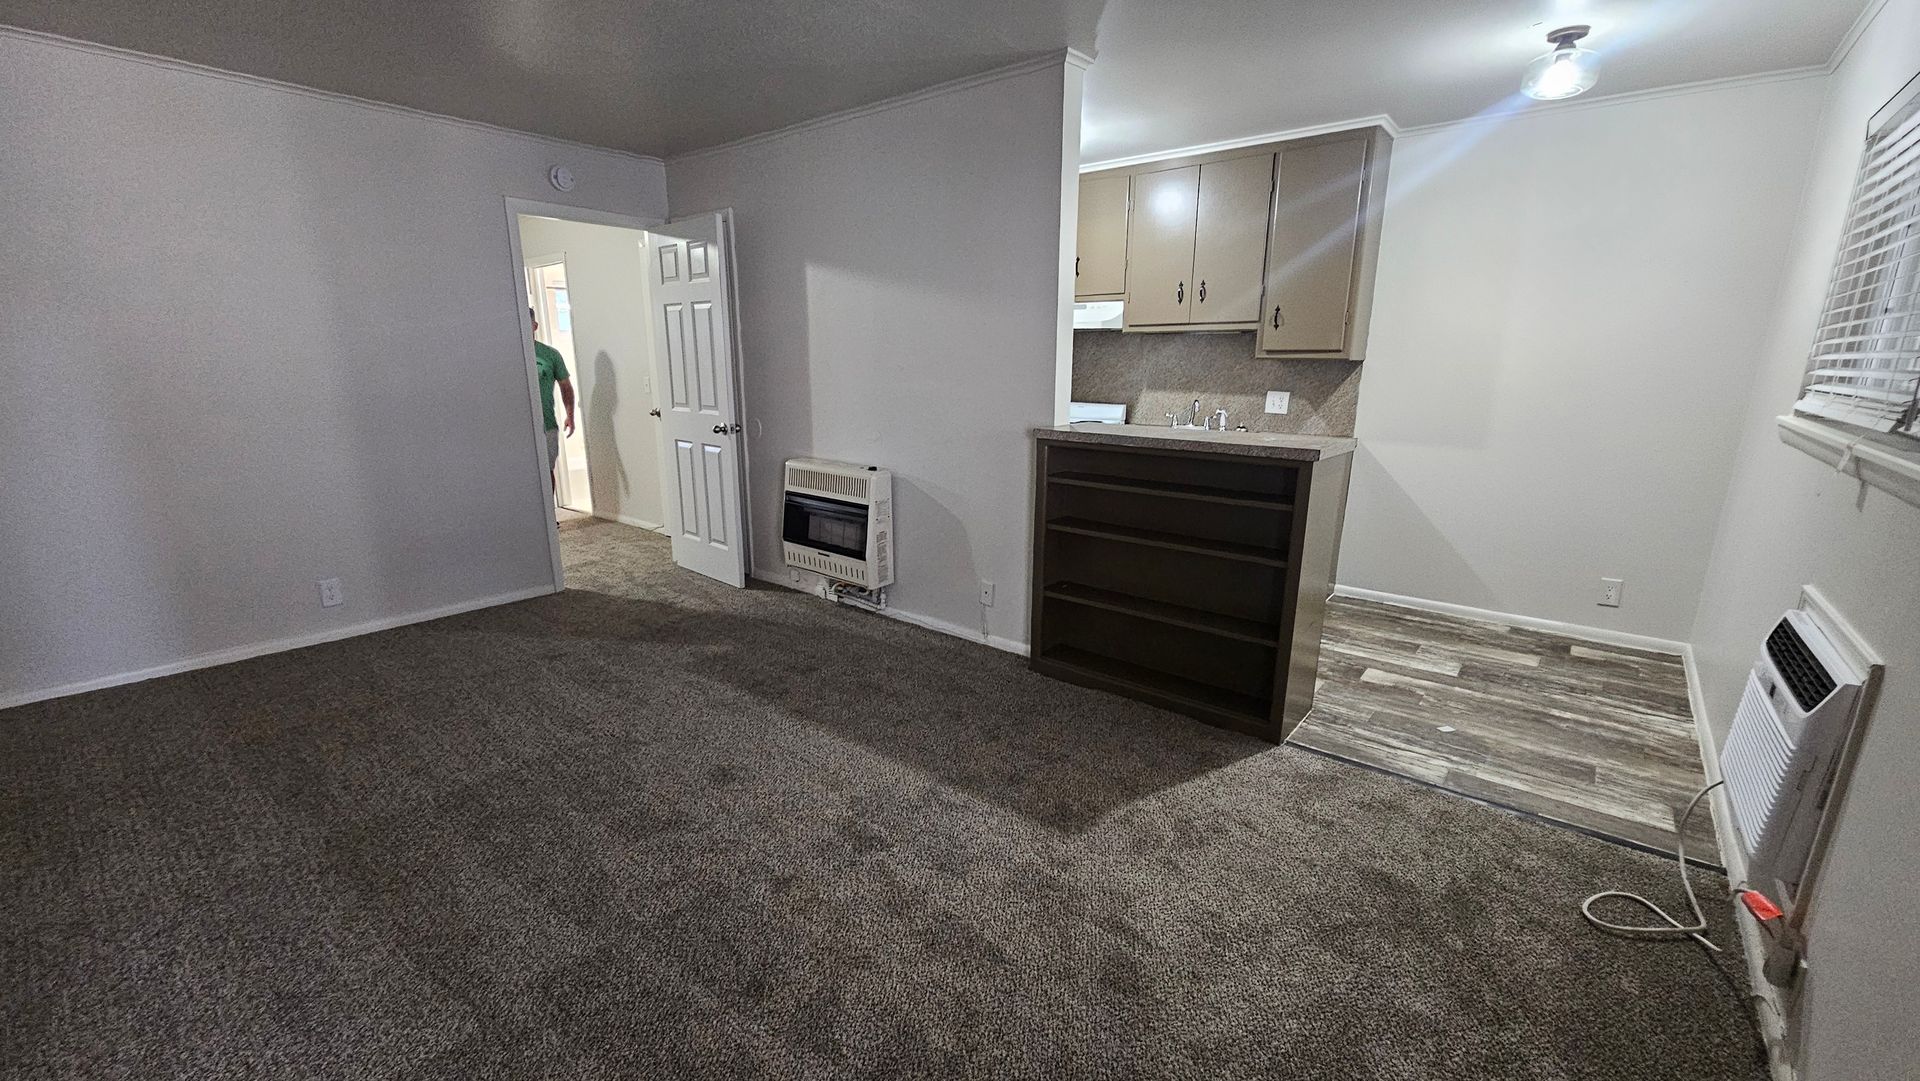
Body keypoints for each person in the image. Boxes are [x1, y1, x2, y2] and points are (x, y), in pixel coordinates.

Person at [529, 306, 576, 490]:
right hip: (519, 427)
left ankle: (549, 516)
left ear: (535, 326)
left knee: (547, 469)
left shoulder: (550, 354)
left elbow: (565, 386)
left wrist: (570, 415)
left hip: (547, 424)